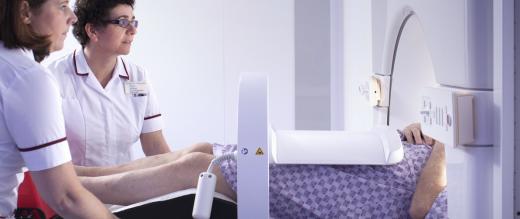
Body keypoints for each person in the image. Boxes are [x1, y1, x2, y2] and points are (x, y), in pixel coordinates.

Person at [0, 0, 116, 218]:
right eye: (62, 6)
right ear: (25, 12)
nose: (72, 18)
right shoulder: (28, 77)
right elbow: (66, 197)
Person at [47, 0, 175, 167]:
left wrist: (179, 174)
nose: (133, 30)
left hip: (126, 187)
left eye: (133, 21)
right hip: (73, 187)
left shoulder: (137, 77)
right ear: (92, 30)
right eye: (123, 22)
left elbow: (155, 146)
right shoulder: (54, 77)